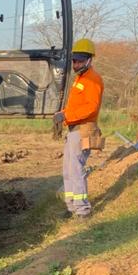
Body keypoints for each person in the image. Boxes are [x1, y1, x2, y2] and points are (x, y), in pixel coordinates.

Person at [53, 38, 104, 218]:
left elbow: (91, 107)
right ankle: (72, 207)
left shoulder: (93, 80)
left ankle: (83, 210)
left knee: (76, 169)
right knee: (68, 169)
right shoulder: (80, 79)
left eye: (80, 60)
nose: (76, 64)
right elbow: (77, 106)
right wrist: (63, 114)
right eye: (75, 60)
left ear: (90, 60)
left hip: (83, 129)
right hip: (74, 129)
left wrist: (66, 116)